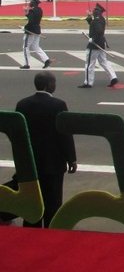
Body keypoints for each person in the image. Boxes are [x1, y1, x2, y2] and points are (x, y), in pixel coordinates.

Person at [15, 71, 77, 227]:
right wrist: (71, 158)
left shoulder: (22, 104)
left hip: (30, 163)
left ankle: (31, 231)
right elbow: (64, 134)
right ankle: (50, 231)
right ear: (49, 85)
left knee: (32, 202)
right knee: (53, 202)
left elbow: (18, 134)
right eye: (54, 82)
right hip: (53, 163)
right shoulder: (58, 105)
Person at [80, 3, 118, 88]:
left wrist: (93, 38)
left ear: (97, 11)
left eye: (95, 10)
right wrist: (89, 17)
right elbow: (93, 25)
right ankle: (113, 77)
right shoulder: (101, 18)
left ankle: (88, 82)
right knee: (104, 62)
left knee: (89, 64)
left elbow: (99, 31)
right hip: (101, 43)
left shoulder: (97, 20)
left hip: (95, 45)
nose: (93, 11)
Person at [21, 0, 51, 70]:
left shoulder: (32, 11)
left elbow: (31, 21)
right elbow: (33, 18)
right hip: (37, 30)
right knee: (36, 46)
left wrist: (25, 27)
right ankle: (46, 60)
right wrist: (27, 11)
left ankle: (26, 64)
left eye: (31, 2)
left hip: (30, 31)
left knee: (26, 47)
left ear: (33, 3)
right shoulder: (40, 10)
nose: (29, 3)